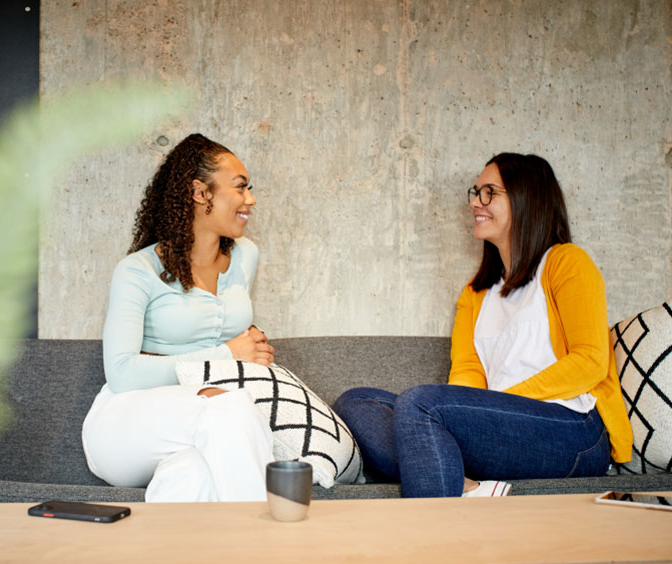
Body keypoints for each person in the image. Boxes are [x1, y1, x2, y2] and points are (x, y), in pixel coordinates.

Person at [333, 153, 632, 498]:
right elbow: (467, 371)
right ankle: (468, 487)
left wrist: (492, 406)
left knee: (420, 403)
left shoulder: (567, 263)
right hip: (498, 428)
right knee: (356, 402)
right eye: (475, 192)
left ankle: (434, 536)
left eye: (489, 192)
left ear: (526, 199)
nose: (476, 202)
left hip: (571, 431)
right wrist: (475, 414)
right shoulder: (475, 294)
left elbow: (589, 362)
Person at [81, 133, 276, 502]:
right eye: (239, 188)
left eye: (249, 188)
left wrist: (253, 347)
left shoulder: (246, 256)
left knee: (191, 476)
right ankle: (270, 544)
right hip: (126, 424)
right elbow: (121, 374)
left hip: (197, 424)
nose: (250, 199)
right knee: (230, 407)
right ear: (200, 193)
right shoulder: (137, 272)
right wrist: (226, 356)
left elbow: (225, 329)